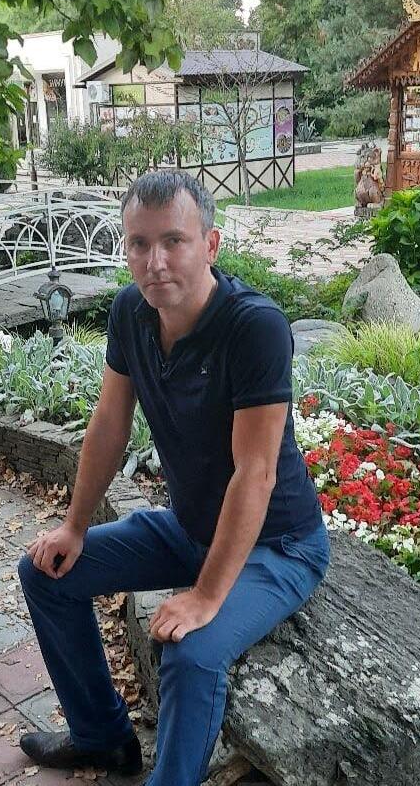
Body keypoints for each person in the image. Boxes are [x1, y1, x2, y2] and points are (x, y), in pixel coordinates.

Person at [18, 171, 330, 786]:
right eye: (138, 243)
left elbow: (256, 472)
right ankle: (103, 738)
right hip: (189, 530)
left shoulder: (254, 326)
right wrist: (74, 527)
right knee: (46, 572)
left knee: (191, 652)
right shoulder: (131, 312)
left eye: (173, 241)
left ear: (210, 245)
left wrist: (206, 596)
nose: (154, 261)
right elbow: (110, 423)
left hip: (278, 544)